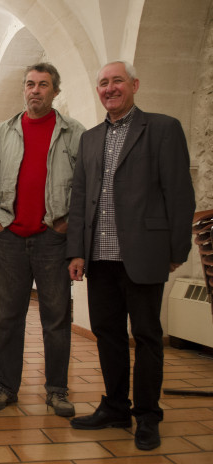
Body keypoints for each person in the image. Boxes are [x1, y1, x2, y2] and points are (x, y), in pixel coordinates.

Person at [67, 61, 196, 450]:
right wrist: (76, 251)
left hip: (144, 253)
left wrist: (177, 249)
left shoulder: (163, 128)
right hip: (100, 257)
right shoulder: (90, 138)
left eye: (117, 81)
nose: (109, 88)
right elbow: (79, 199)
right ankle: (115, 407)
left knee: (147, 336)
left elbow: (179, 193)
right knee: (107, 334)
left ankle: (148, 415)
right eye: (103, 83)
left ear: (135, 84)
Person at [0, 63, 85, 417]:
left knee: (56, 318)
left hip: (53, 239)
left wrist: (68, 223)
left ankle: (56, 390)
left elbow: (86, 186)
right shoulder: (3, 132)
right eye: (30, 84)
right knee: (6, 318)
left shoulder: (74, 133)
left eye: (43, 84)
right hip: (11, 238)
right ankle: (6, 387)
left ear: (55, 91)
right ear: (24, 89)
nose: (35, 90)